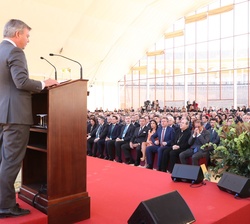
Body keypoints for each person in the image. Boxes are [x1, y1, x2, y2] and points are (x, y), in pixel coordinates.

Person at [0, 19, 58, 218]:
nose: (28, 40)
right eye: (27, 35)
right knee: (11, 162)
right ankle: (6, 206)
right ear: (17, 34)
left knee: (2, 160)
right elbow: (21, 81)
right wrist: (44, 83)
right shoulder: (15, 52)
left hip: (2, 114)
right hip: (16, 115)